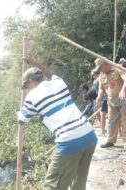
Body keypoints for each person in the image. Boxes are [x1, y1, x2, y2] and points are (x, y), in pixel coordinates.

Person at [17, 57, 98, 190]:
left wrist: (18, 114)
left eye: (26, 86)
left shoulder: (31, 97)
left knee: (52, 185)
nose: (27, 89)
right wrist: (33, 62)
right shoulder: (58, 83)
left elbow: (22, 121)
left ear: (31, 82)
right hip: (89, 136)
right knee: (79, 181)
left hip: (70, 141)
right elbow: (50, 73)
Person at [95, 58, 126, 151]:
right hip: (112, 102)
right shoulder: (102, 75)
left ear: (105, 64)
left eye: (100, 68)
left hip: (125, 100)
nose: (100, 70)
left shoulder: (118, 69)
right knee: (111, 121)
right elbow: (101, 88)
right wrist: (99, 96)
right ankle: (111, 140)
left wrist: (123, 91)